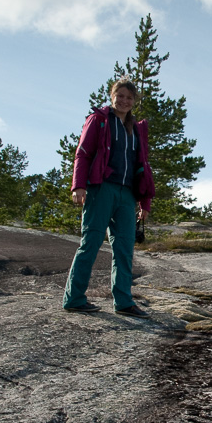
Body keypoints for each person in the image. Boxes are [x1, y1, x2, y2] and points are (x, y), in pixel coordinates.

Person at [63, 78, 155, 315]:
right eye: (120, 95)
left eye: (129, 97)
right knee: (91, 243)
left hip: (127, 195)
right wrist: (78, 186)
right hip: (101, 188)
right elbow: (83, 153)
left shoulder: (136, 129)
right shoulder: (99, 120)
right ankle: (74, 298)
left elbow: (143, 165)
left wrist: (144, 202)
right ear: (112, 95)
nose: (124, 101)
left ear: (134, 101)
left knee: (125, 249)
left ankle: (123, 302)